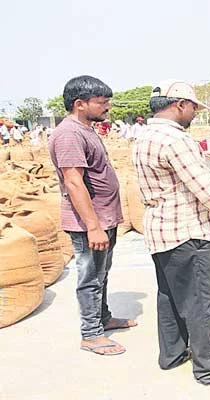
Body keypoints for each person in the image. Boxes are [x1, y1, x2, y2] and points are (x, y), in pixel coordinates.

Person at [132, 79, 210, 386]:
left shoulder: (144, 135)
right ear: (180, 105)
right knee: (200, 299)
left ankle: (173, 354)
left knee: (170, 295)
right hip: (189, 230)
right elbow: (205, 189)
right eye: (192, 107)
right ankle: (209, 368)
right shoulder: (176, 140)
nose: (193, 114)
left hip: (162, 228)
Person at [48, 75, 136, 356]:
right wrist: (93, 227)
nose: (107, 107)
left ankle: (103, 317)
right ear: (80, 104)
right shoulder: (69, 134)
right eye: (102, 102)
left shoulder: (85, 129)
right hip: (90, 222)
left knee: (101, 273)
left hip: (103, 219)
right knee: (90, 278)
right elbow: (74, 182)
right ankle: (91, 334)